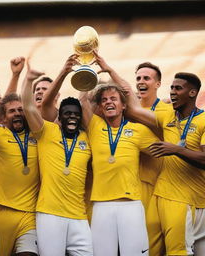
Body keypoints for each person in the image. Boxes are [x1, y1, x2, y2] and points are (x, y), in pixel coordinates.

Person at [79, 53, 159, 256]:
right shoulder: (95, 126)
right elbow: (83, 99)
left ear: (124, 105)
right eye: (104, 100)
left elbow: (163, 149)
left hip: (130, 205)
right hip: (101, 206)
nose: (108, 102)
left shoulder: (138, 130)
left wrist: (109, 69)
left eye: (113, 99)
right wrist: (87, 70)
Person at [123, 72, 205, 256]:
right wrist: (107, 68)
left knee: (180, 250)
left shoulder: (203, 120)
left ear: (192, 93)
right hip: (161, 194)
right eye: (172, 88)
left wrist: (177, 150)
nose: (173, 92)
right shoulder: (168, 117)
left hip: (189, 200)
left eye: (178, 88)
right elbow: (131, 109)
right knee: (150, 250)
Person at [22, 59, 93, 256]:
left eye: (76, 114)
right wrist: (28, 80)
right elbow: (28, 107)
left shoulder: (88, 138)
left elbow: (85, 100)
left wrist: (87, 74)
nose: (72, 116)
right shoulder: (47, 131)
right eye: (67, 113)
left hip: (79, 216)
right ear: (59, 117)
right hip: (49, 215)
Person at [0, 93, 40, 256]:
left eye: (21, 110)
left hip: (29, 215)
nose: (18, 113)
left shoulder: (39, 134)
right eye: (12, 111)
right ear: (2, 118)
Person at [135, 62, 172, 211]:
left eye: (146, 78)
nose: (141, 82)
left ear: (158, 84)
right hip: (136, 183)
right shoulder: (126, 111)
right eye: (138, 78)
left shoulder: (170, 110)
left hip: (165, 183)